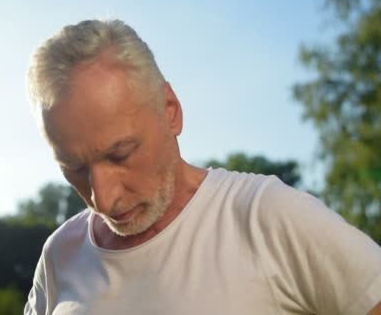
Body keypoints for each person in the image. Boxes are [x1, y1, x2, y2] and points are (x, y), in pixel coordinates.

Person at [24, 19, 381, 314]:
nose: (104, 199)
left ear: (170, 110)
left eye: (121, 155)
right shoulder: (60, 254)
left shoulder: (266, 216)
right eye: (75, 169)